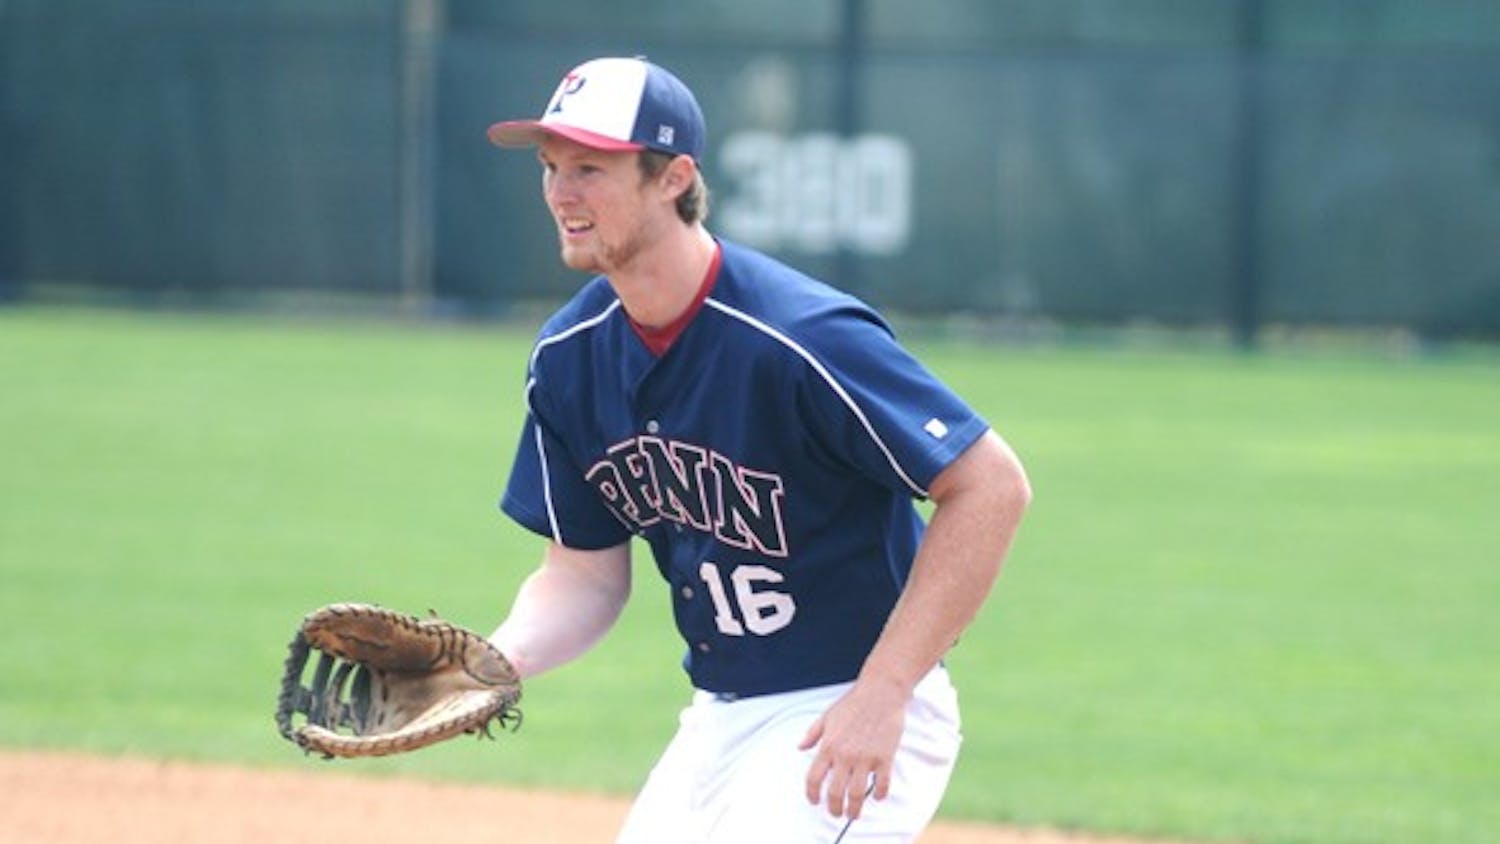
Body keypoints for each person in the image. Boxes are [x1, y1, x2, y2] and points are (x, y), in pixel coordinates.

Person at [484, 56, 1031, 844]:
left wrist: (884, 691)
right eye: (551, 167)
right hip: (717, 715)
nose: (561, 194)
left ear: (672, 177)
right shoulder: (569, 355)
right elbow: (582, 576)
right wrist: (491, 664)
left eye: (589, 169)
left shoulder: (798, 338)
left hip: (849, 704)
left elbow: (991, 485)